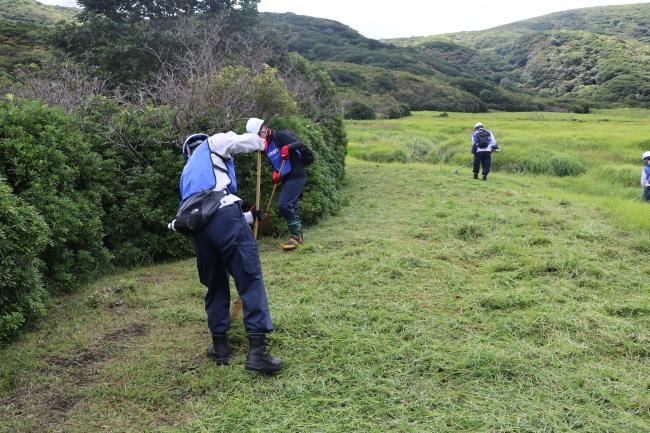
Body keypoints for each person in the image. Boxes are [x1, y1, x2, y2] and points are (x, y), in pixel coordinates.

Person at [176, 132, 282, 373]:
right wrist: (260, 140)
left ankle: (220, 347)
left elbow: (212, 213)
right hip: (225, 217)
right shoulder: (210, 144)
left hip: (199, 228)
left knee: (215, 284)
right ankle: (257, 352)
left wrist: (248, 217)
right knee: (249, 277)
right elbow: (236, 141)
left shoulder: (187, 175)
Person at [246, 118, 310, 251]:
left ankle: (295, 237)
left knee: (284, 205)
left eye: (259, 133)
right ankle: (298, 238)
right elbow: (279, 164)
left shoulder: (279, 135)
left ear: (263, 129)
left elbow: (300, 143)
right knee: (291, 206)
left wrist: (287, 147)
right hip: (287, 178)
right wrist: (276, 174)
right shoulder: (267, 147)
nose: (259, 137)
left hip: (297, 175)